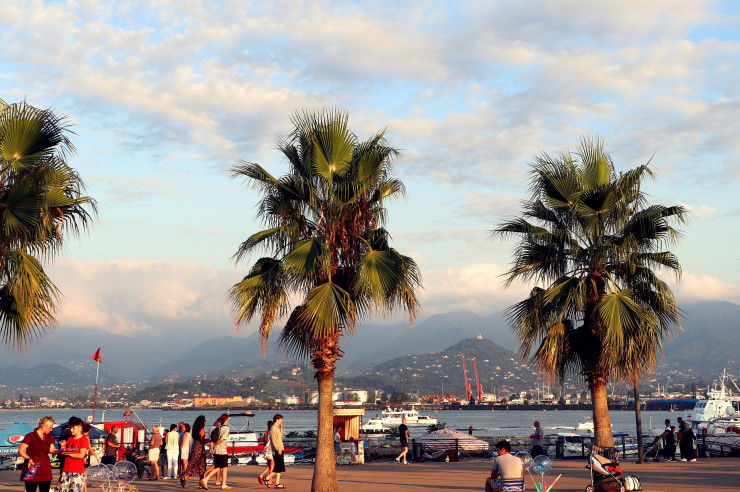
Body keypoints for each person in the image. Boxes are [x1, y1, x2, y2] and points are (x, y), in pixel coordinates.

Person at [18, 416, 59, 492]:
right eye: (50, 427)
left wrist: (60, 449)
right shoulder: (30, 436)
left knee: (45, 490)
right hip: (32, 466)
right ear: (45, 426)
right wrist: (28, 458)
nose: (51, 429)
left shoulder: (50, 437)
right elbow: (21, 450)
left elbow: (52, 450)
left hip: (45, 467)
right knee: (31, 489)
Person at [59, 418, 89, 492]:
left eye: (73, 428)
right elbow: (64, 453)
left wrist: (68, 453)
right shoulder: (70, 439)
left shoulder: (84, 439)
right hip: (66, 470)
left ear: (80, 428)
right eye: (70, 428)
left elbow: (81, 455)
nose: (71, 430)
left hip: (77, 471)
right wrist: (62, 448)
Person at [202, 414, 231, 489]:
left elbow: (212, 439)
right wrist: (215, 444)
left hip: (216, 451)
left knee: (217, 467)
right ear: (226, 419)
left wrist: (212, 448)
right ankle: (223, 484)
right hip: (222, 450)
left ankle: (205, 479)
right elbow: (222, 439)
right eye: (228, 419)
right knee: (224, 467)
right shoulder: (226, 428)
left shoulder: (217, 427)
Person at [180, 416, 207, 489]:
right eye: (204, 420)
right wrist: (209, 441)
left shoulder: (194, 430)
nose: (205, 422)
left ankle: (186, 477)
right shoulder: (202, 430)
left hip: (194, 446)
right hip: (199, 448)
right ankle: (185, 476)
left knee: (199, 466)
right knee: (200, 466)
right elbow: (202, 441)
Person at [265, 414, 286, 489]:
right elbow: (274, 440)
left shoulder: (276, 428)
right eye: (281, 419)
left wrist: (281, 429)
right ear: (277, 420)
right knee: (279, 467)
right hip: (277, 450)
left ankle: (277, 483)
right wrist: (278, 449)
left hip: (280, 449)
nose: (282, 421)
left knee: (279, 467)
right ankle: (267, 478)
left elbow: (279, 438)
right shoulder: (273, 428)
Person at [257, 421, 274, 485]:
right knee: (272, 466)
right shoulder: (272, 433)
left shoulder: (265, 433)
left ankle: (262, 476)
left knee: (270, 465)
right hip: (271, 450)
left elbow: (264, 443)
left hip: (266, 450)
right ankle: (269, 480)